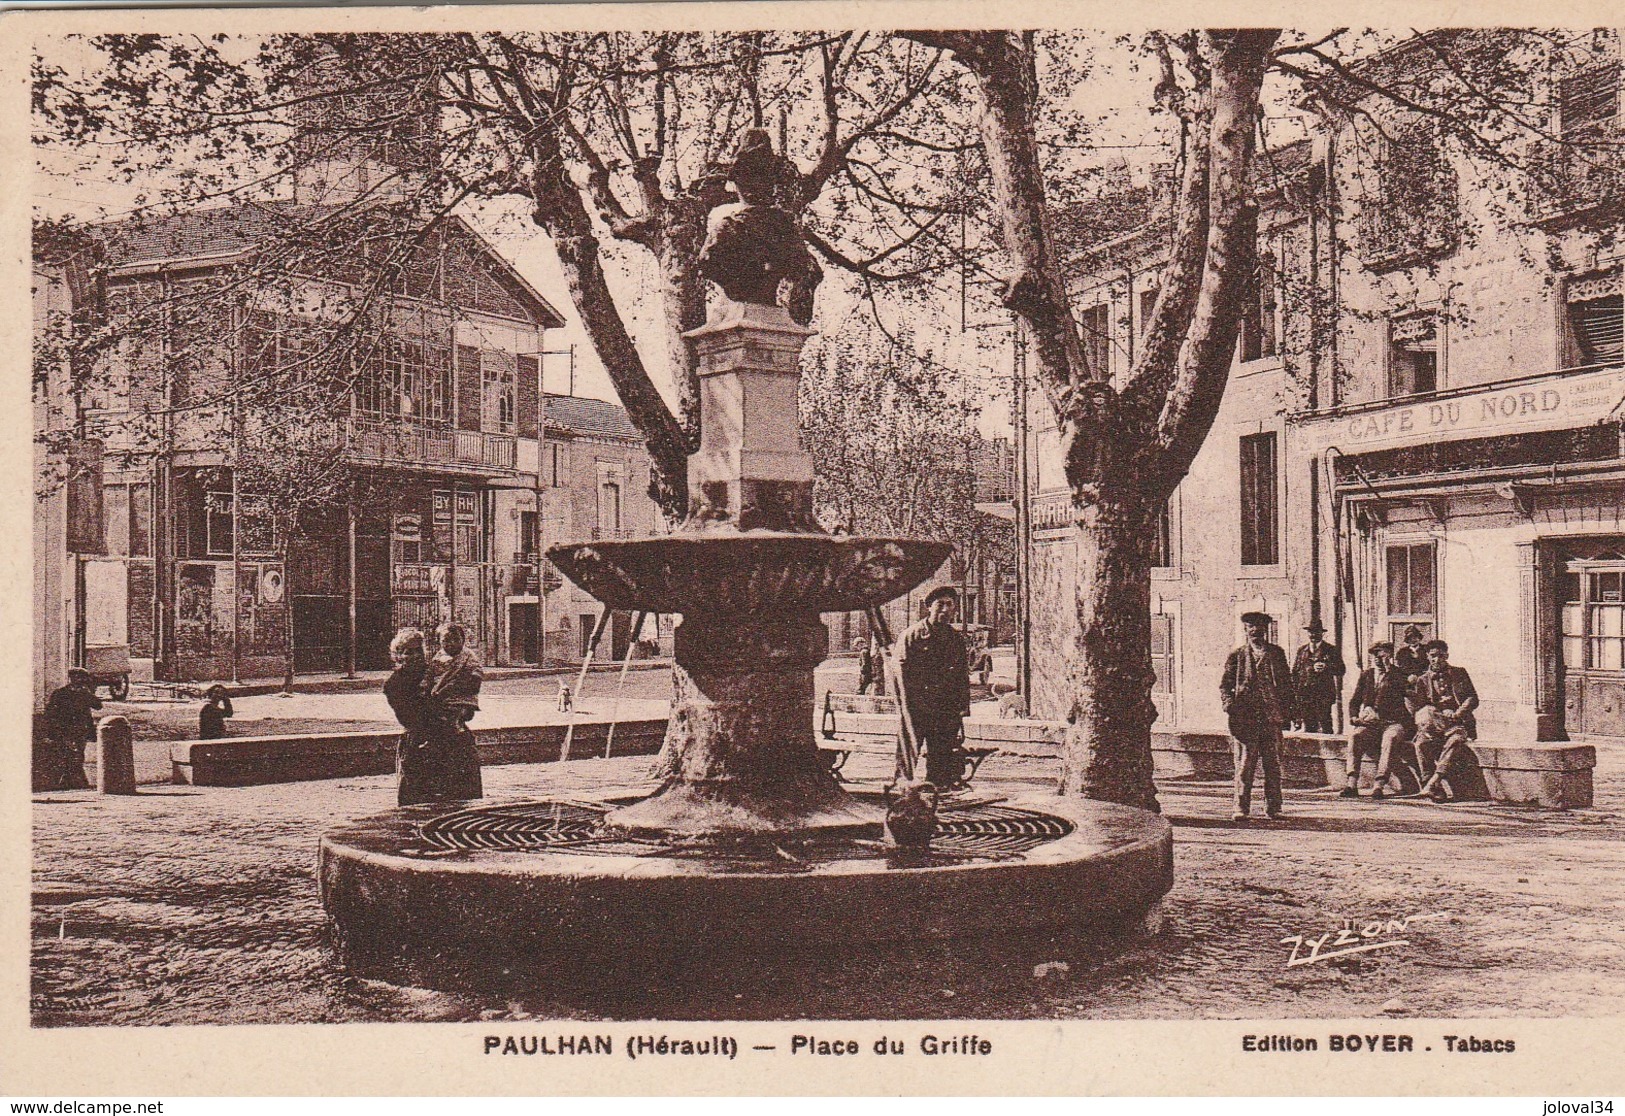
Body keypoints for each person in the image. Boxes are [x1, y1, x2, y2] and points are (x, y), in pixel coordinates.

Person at [895, 587, 971, 788]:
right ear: (929, 607)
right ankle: (903, 798)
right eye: (940, 605)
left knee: (941, 764)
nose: (945, 610)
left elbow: (962, 676)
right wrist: (905, 707)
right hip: (916, 709)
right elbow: (899, 675)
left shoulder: (956, 639)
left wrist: (963, 706)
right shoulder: (911, 636)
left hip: (945, 711)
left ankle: (939, 799)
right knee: (907, 760)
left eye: (950, 605)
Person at [1220, 612, 1290, 821]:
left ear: (1266, 630)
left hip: (1271, 718)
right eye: (1251, 627)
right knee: (1245, 765)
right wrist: (1230, 705)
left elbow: (1287, 686)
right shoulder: (1237, 656)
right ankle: (1241, 808)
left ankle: (1274, 807)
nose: (1255, 631)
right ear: (1245, 630)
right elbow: (1225, 686)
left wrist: (1290, 712)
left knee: (1273, 764)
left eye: (1259, 628)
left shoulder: (1277, 654)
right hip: (1246, 720)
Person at [1343, 642, 1414, 800]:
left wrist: (1390, 672)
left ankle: (1379, 785)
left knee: (1390, 739)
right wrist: (1354, 717)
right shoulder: (1367, 675)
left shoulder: (1398, 674)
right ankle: (1352, 783)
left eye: (1381, 656)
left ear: (1389, 656)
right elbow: (1355, 701)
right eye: (1374, 656)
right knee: (1355, 737)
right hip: (1371, 724)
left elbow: (1407, 691)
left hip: (1393, 722)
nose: (1377, 659)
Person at [1412, 640, 1479, 803]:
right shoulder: (1422, 680)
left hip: (1457, 723)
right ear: (1428, 657)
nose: (1437, 660)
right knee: (1421, 743)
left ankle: (1433, 782)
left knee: (1456, 740)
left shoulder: (1459, 673)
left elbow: (1472, 698)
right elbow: (1420, 707)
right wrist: (1439, 714)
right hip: (1435, 725)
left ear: (1447, 655)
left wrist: (1457, 712)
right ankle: (1435, 787)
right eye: (1433, 656)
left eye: (1441, 656)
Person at [39, 668, 100, 791]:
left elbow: (98, 705)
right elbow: (50, 712)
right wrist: (52, 730)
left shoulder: (84, 693)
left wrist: (91, 692)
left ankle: (72, 780)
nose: (80, 681)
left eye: (82, 678)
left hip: (81, 729)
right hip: (65, 729)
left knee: (78, 754)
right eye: (78, 678)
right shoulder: (61, 693)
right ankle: (72, 780)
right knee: (68, 754)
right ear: (71, 679)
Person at [1291, 620, 1345, 734]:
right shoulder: (1302, 651)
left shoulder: (1330, 650)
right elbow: (1295, 672)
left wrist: (1327, 667)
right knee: (1309, 728)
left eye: (1316, 632)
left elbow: (1341, 669)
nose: (1313, 635)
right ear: (1308, 633)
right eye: (1311, 632)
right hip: (1305, 695)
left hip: (1323, 696)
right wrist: (1295, 693)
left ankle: (1329, 751)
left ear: (1322, 634)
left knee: (1326, 726)